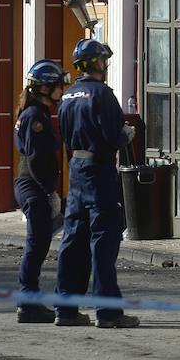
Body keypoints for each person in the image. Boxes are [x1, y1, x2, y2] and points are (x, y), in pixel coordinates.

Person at [53, 39, 138, 329]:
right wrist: (127, 134)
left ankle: (65, 309)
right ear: (97, 63)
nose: (106, 64)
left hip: (76, 170)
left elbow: (63, 137)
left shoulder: (67, 96)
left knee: (73, 240)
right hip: (99, 171)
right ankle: (109, 312)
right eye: (103, 60)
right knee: (103, 242)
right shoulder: (102, 94)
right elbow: (114, 136)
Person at [13, 58, 69, 323]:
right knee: (36, 246)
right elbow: (36, 158)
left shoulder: (37, 113)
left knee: (40, 243)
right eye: (58, 85)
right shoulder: (35, 116)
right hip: (33, 185)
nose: (62, 90)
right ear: (45, 88)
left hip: (32, 185)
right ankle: (28, 302)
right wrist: (48, 192)